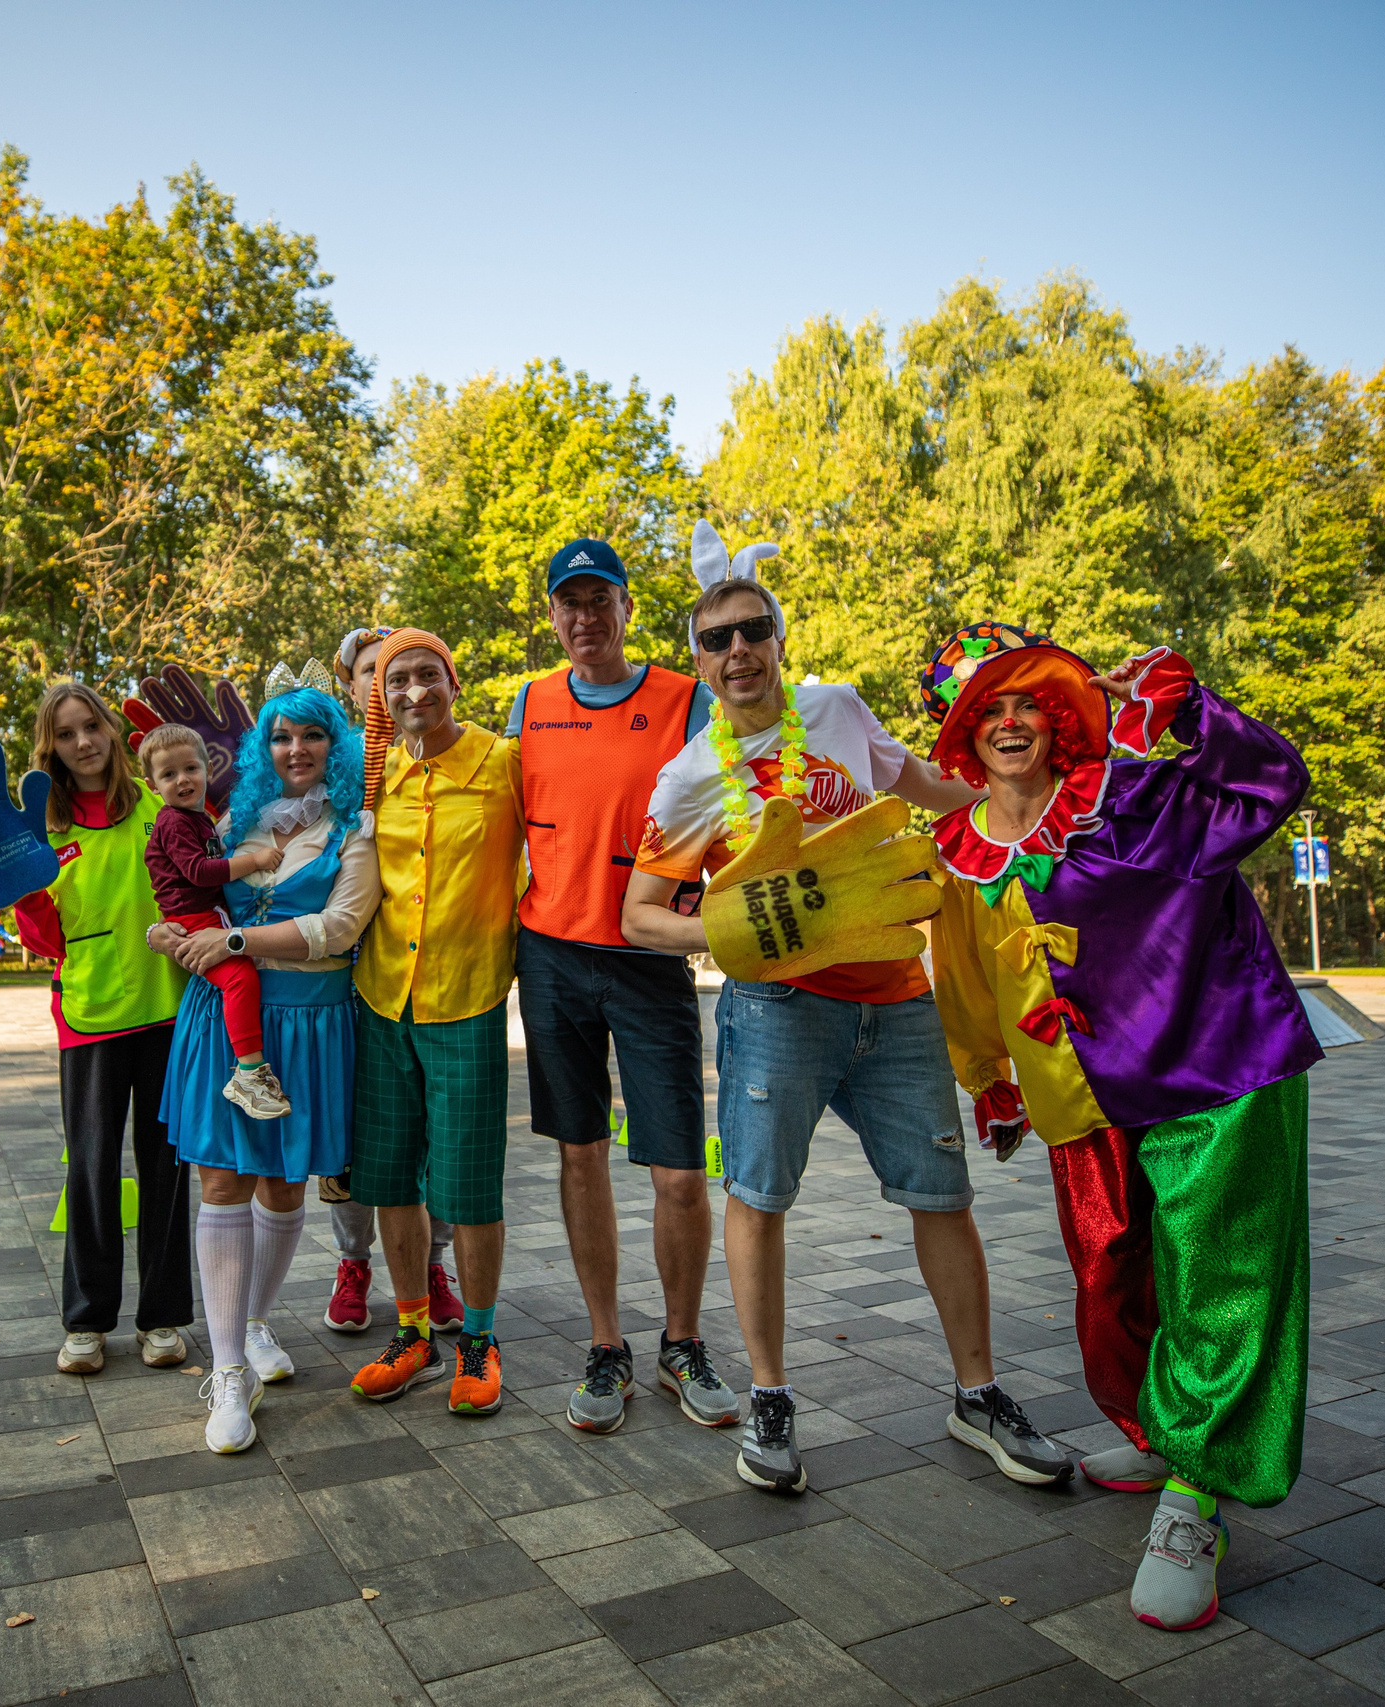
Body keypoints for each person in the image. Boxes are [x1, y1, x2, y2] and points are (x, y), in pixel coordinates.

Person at [620, 522, 1078, 1495]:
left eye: (753, 630)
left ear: (779, 638)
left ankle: (977, 1394)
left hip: (897, 1002)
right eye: (716, 639)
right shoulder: (692, 775)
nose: (737, 650)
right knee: (759, 1199)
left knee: (941, 1196)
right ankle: (774, 1397)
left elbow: (932, 789)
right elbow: (639, 918)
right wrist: (735, 930)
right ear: (698, 663)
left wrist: (1033, 782)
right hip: (776, 1012)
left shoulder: (834, 710)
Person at [917, 623, 1319, 1631]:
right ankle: (1155, 1422)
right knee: (1109, 1275)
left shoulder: (1140, 798)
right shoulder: (961, 849)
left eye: (1025, 702)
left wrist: (1192, 714)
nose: (1008, 721)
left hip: (1211, 1068)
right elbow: (964, 974)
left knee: (1214, 1277)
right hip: (1077, 1096)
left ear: (1055, 717)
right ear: (962, 731)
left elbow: (1272, 785)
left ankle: (1196, 1494)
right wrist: (990, 1077)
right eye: (986, 707)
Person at [503, 539, 737, 1435]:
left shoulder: (687, 699)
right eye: (568, 602)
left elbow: (734, 816)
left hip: (650, 960)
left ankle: (682, 1341)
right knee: (580, 1155)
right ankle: (608, 1345)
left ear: (629, 608)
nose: (584, 617)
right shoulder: (529, 701)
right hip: (552, 958)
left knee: (679, 1168)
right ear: (554, 614)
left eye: (600, 599)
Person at [152, 666, 382, 1452]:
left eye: (313, 732)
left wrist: (236, 939)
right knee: (222, 1176)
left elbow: (341, 925)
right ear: (263, 746)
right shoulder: (235, 818)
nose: (297, 747)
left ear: (335, 743)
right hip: (225, 1016)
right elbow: (188, 898)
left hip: (312, 1018)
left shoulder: (355, 828)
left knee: (285, 1184)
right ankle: (225, 1371)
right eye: (282, 734)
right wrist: (179, 937)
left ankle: (252, 1323)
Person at [347, 628, 524, 1417]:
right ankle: (413, 1329)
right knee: (389, 1177)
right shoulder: (371, 772)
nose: (415, 691)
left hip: (470, 998)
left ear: (455, 680)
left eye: (429, 674)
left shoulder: (504, 762)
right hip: (381, 997)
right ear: (381, 697)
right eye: (398, 680)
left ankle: (478, 1341)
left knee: (468, 1183)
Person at [15, 681, 195, 1375]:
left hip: (170, 1011)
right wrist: (26, 895)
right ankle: (86, 1320)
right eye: (65, 734)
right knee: (91, 1170)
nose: (82, 742)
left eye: (90, 725)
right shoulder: (46, 831)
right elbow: (44, 936)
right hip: (88, 1018)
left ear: (111, 730)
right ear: (50, 747)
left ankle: (163, 1316)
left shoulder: (160, 806)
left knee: (167, 1170)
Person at [321, 625, 460, 1334]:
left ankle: (433, 1266)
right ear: (353, 688)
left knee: (432, 1136)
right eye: (371, 673)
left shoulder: (430, 758)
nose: (387, 684)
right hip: (340, 981)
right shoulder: (327, 765)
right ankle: (353, 1262)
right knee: (351, 1138)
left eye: (395, 670)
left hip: (421, 977)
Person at [138, 722, 290, 1120]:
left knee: (240, 975)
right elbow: (198, 872)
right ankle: (249, 1072)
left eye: (190, 768)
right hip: (192, 915)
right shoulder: (173, 821)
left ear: (207, 769)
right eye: (168, 775)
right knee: (238, 977)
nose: (182, 780)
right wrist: (253, 862)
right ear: (153, 785)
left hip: (206, 912)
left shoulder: (200, 818)